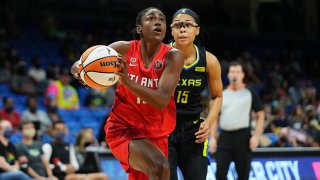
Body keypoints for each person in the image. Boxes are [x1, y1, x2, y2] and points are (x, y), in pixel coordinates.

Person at [71, 7, 184, 180]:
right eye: (151, 18)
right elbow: (81, 63)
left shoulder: (173, 57)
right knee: (160, 168)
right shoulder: (121, 49)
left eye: (162, 19)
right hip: (123, 129)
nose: (158, 22)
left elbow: (161, 100)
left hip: (157, 134)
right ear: (139, 28)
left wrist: (127, 82)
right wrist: (82, 72)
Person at [167, 8, 223, 180]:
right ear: (171, 31)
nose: (182, 29)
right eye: (178, 25)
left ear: (197, 30)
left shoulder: (209, 61)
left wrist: (209, 122)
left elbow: (217, 96)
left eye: (187, 25)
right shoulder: (160, 56)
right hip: (164, 129)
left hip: (194, 131)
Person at [209, 61, 265, 180]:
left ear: (243, 75)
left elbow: (260, 115)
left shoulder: (250, 93)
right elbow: (214, 118)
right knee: (220, 174)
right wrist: (212, 138)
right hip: (224, 138)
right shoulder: (221, 94)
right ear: (228, 75)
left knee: (243, 175)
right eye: (232, 72)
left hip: (243, 138)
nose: (235, 74)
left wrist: (256, 136)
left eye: (238, 72)